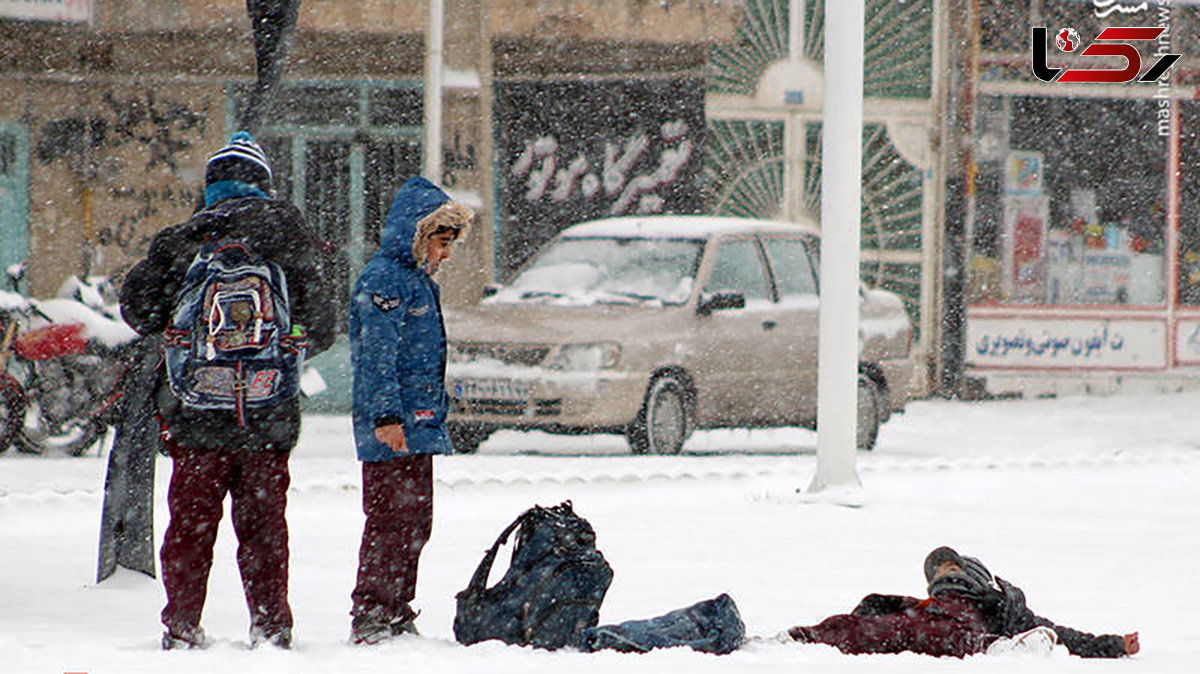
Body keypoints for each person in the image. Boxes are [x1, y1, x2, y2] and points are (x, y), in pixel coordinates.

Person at [119, 131, 336, 650]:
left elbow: (137, 310)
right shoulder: (289, 238)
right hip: (268, 416)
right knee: (264, 530)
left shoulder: (183, 239)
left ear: (212, 186)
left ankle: (182, 625)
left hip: (196, 417)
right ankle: (272, 625)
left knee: (191, 529)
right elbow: (323, 327)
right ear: (263, 184)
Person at [348, 176, 473, 645]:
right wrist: (387, 417)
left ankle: (398, 608)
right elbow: (378, 355)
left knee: (415, 521)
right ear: (418, 236)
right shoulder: (386, 280)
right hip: (395, 425)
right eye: (439, 243)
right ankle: (374, 613)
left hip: (418, 423)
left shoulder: (416, 281)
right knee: (390, 521)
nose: (443, 255)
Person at [787, 546, 1139, 659]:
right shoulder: (923, 605)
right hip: (936, 630)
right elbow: (870, 615)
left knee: (889, 631)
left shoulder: (1001, 605)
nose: (943, 573)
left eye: (950, 566)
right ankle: (793, 640)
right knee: (860, 628)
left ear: (972, 572)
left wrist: (1113, 645)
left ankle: (1003, 650)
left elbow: (1059, 633)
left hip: (970, 636)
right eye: (936, 573)